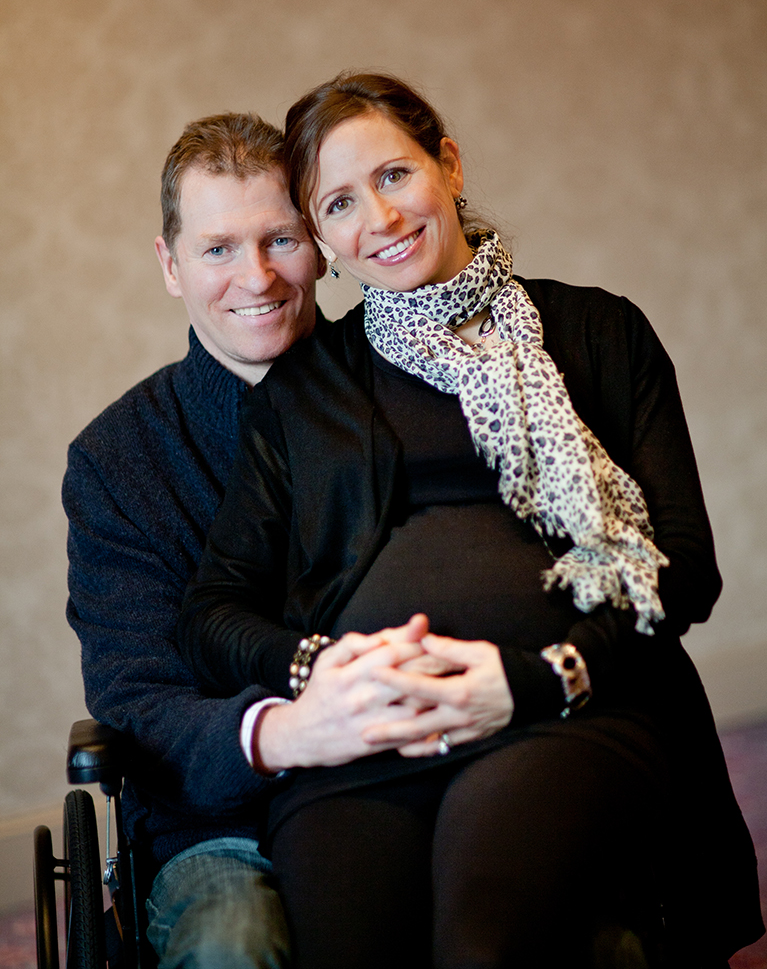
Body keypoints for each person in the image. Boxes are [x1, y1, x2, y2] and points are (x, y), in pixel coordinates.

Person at [179, 75, 764, 969]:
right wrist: (323, 668)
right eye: (337, 203)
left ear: (446, 166)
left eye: (392, 176)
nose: (377, 217)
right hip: (373, 735)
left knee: (480, 946)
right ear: (323, 239)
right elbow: (216, 610)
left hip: (566, 713)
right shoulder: (303, 391)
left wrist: (542, 677)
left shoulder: (595, 331)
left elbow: (681, 563)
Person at [63, 112, 324, 969]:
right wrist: (274, 732)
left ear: (319, 241)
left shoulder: (397, 391)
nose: (256, 277)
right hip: (216, 820)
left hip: (400, 777)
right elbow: (136, 693)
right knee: (233, 944)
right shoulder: (115, 460)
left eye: (279, 238)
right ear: (170, 265)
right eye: (217, 249)